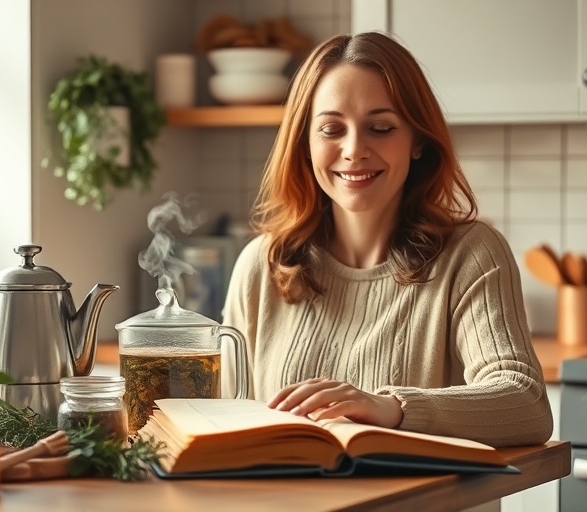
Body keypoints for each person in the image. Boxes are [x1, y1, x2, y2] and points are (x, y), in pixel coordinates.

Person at [221, 32, 552, 447]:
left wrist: (392, 408)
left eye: (380, 128)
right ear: (305, 143)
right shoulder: (262, 264)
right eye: (331, 129)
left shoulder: (471, 253)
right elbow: (223, 420)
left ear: (417, 141)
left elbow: (527, 405)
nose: (355, 149)